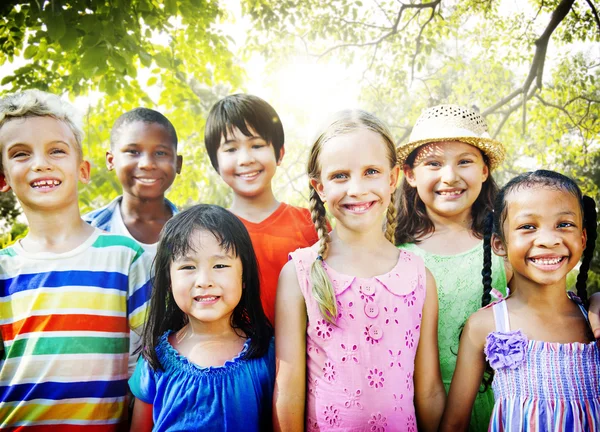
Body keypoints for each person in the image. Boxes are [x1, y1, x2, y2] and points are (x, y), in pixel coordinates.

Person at [274, 110, 445, 431]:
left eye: (371, 172)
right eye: (340, 176)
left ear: (392, 179)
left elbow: (430, 390)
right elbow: (288, 391)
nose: (356, 188)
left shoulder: (419, 277)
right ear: (319, 187)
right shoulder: (301, 273)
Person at [0, 89, 152, 430]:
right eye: (21, 154)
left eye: (56, 150)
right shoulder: (3, 269)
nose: (41, 163)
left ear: (82, 169)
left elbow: (150, 361)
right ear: (3, 179)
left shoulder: (125, 258)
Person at [441, 170, 600, 431]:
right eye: (528, 227)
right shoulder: (485, 325)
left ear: (583, 239)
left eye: (564, 224)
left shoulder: (594, 322)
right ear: (499, 244)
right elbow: (454, 424)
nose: (549, 240)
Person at [395, 104, 509, 430]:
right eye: (433, 163)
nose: (450, 176)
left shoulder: (503, 249)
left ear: (485, 171)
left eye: (465, 162)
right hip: (412, 404)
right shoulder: (392, 252)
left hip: (493, 403)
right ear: (410, 175)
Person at [129, 204, 275, 431]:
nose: (204, 280)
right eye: (188, 266)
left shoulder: (267, 353)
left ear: (244, 276)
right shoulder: (154, 357)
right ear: (169, 281)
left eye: (220, 265)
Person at [204, 94, 319, 324]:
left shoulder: (310, 223)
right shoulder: (209, 234)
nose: (245, 159)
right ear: (215, 163)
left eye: (257, 145)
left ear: (280, 153)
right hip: (239, 357)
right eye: (230, 149)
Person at [84, 107, 182, 375]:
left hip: (174, 380)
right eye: (133, 151)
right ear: (111, 160)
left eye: (160, 153)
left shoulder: (197, 234)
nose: (147, 163)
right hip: (101, 384)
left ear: (179, 163)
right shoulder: (87, 233)